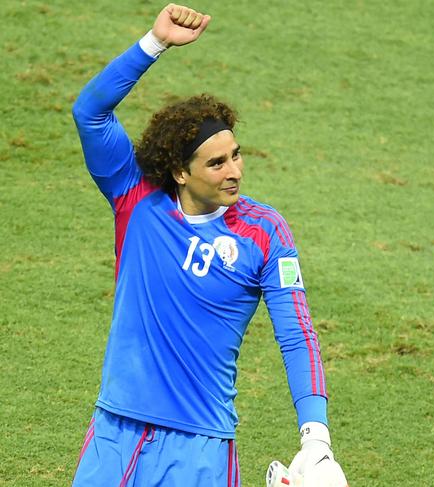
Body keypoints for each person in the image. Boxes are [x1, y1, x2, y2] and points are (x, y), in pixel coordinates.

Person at [71, 4, 348, 486]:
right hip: (115, 435)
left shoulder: (265, 232)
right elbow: (90, 113)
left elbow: (296, 334)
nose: (235, 171)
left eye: (236, 155)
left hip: (201, 449)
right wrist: (153, 45)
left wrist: (316, 439)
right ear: (181, 171)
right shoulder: (135, 199)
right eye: (217, 163)